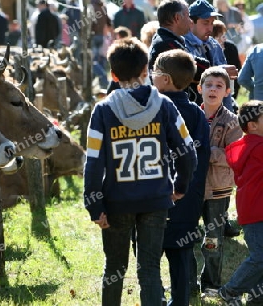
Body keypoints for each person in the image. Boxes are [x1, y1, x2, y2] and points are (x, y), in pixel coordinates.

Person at [84, 37, 197, 306]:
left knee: (114, 269)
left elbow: (93, 162)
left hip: (116, 201)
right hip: (156, 199)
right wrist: (180, 185)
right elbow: (188, 151)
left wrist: (94, 205)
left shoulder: (101, 110)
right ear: (146, 70)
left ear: (112, 74)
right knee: (149, 269)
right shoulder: (165, 105)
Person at [152, 49, 211, 306]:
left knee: (149, 259)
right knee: (182, 257)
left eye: (154, 73)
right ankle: (180, 301)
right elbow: (202, 157)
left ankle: (155, 299)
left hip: (151, 200)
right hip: (187, 198)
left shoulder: (150, 110)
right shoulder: (197, 114)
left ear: (164, 79)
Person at [196, 67, 243, 294]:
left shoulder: (232, 122)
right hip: (192, 186)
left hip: (218, 189)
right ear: (199, 88)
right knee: (184, 234)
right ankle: (187, 282)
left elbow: (234, 156)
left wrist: (208, 151)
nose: (213, 89)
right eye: (209, 85)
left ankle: (211, 283)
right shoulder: (191, 115)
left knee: (213, 237)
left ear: (227, 91)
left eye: (219, 86)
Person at [219, 100, 263, 306]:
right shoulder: (258, 147)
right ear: (252, 126)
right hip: (257, 212)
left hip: (251, 212)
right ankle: (230, 290)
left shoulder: (251, 146)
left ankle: (255, 300)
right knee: (260, 257)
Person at [184, 0, 238, 111]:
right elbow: (185, 75)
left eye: (212, 23)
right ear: (191, 22)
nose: (210, 28)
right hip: (193, 113)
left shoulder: (214, 45)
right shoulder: (182, 45)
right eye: (205, 22)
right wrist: (220, 71)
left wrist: (229, 115)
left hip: (218, 116)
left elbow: (226, 89)